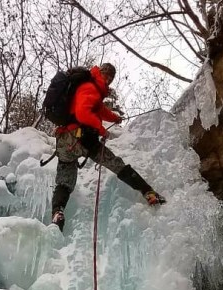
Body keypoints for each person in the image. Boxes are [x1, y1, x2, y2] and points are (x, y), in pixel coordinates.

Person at [50, 63, 166, 232]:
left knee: (65, 181)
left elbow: (98, 109)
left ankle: (57, 212)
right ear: (101, 72)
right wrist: (101, 129)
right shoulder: (91, 86)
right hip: (83, 138)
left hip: (64, 141)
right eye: (108, 75)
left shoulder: (88, 88)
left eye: (111, 78)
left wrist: (114, 118)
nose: (109, 79)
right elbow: (83, 112)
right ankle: (149, 192)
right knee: (116, 164)